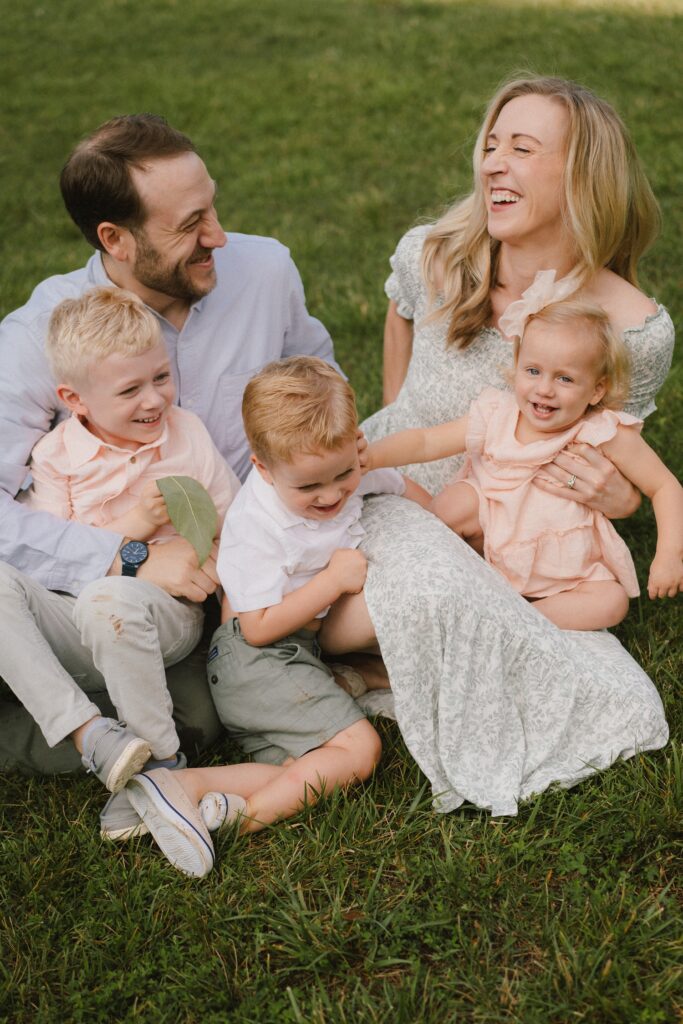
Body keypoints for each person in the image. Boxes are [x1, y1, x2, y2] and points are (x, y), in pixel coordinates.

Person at [318, 75, 673, 816]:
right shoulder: (435, 254)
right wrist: (396, 414)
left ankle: (411, 648)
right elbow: (399, 322)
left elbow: (615, 464)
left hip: (516, 529)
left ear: (580, 175)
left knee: (608, 692)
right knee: (333, 602)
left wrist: (620, 499)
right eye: (488, 146)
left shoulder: (630, 325)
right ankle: (394, 644)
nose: (491, 164)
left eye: (520, 148)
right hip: (412, 485)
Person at [0, 114, 337, 834]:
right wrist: (129, 555)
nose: (217, 236)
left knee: (206, 717)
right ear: (114, 240)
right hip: (89, 592)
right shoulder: (40, 337)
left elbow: (321, 388)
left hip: (228, 594)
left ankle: (139, 754)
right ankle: (95, 740)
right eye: (190, 225)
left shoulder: (266, 270)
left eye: (213, 207)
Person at [122, 356, 431, 877]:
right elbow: (257, 624)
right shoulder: (257, 523)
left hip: (292, 657)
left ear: (356, 444)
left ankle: (190, 790)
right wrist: (331, 582)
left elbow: (412, 494)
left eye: (344, 474)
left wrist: (452, 535)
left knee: (297, 769)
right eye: (310, 489)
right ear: (263, 469)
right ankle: (240, 826)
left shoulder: (350, 470)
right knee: (359, 749)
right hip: (255, 656)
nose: (332, 495)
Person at [1, 286, 239, 800]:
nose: (154, 399)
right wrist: (132, 530)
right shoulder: (55, 457)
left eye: (160, 377)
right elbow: (49, 563)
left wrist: (208, 563)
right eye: (130, 390)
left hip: (162, 617)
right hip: (72, 622)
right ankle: (91, 735)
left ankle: (159, 764)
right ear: (74, 400)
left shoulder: (187, 436)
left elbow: (231, 524)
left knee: (109, 601)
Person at [365, 281, 683, 630]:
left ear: (597, 389)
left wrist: (669, 555)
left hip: (559, 567)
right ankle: (444, 589)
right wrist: (369, 456)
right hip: (487, 539)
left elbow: (666, 487)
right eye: (533, 371)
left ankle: (514, 624)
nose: (544, 389)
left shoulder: (601, 431)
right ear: (517, 366)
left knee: (612, 601)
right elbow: (426, 442)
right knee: (455, 505)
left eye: (564, 378)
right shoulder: (498, 414)